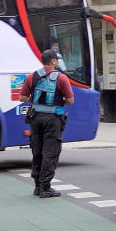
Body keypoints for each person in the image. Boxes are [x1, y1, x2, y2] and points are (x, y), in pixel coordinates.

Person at [19, 49, 74, 198]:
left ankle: (37, 186)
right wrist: (57, 101)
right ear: (54, 61)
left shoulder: (32, 76)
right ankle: (45, 188)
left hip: (35, 119)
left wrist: (37, 98)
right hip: (53, 120)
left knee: (37, 151)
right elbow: (70, 100)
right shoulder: (61, 78)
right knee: (50, 153)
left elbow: (22, 97)